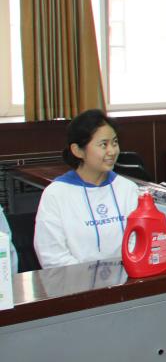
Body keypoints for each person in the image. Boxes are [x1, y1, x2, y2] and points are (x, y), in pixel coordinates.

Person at [34, 109, 140, 268]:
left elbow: (139, 240)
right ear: (77, 150)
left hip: (125, 278)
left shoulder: (128, 189)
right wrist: (88, 279)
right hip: (75, 280)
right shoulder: (56, 194)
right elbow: (52, 255)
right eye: (103, 144)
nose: (112, 151)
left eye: (115, 142)